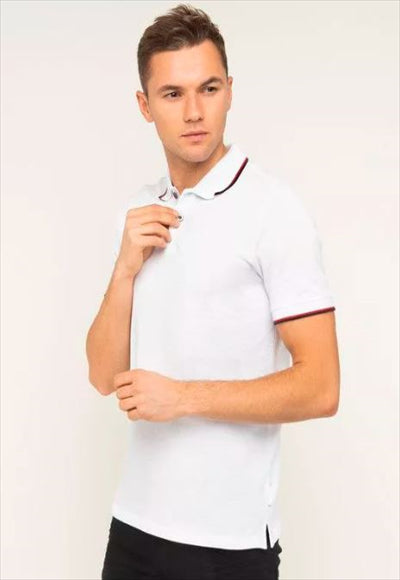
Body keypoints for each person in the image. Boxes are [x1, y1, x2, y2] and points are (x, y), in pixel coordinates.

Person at [85, 4, 340, 579]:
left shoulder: (274, 211)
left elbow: (322, 385)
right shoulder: (141, 211)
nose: (195, 112)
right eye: (172, 94)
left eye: (209, 88)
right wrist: (124, 270)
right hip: (133, 529)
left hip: (228, 544)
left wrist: (182, 398)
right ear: (144, 106)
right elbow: (103, 376)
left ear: (230, 91)